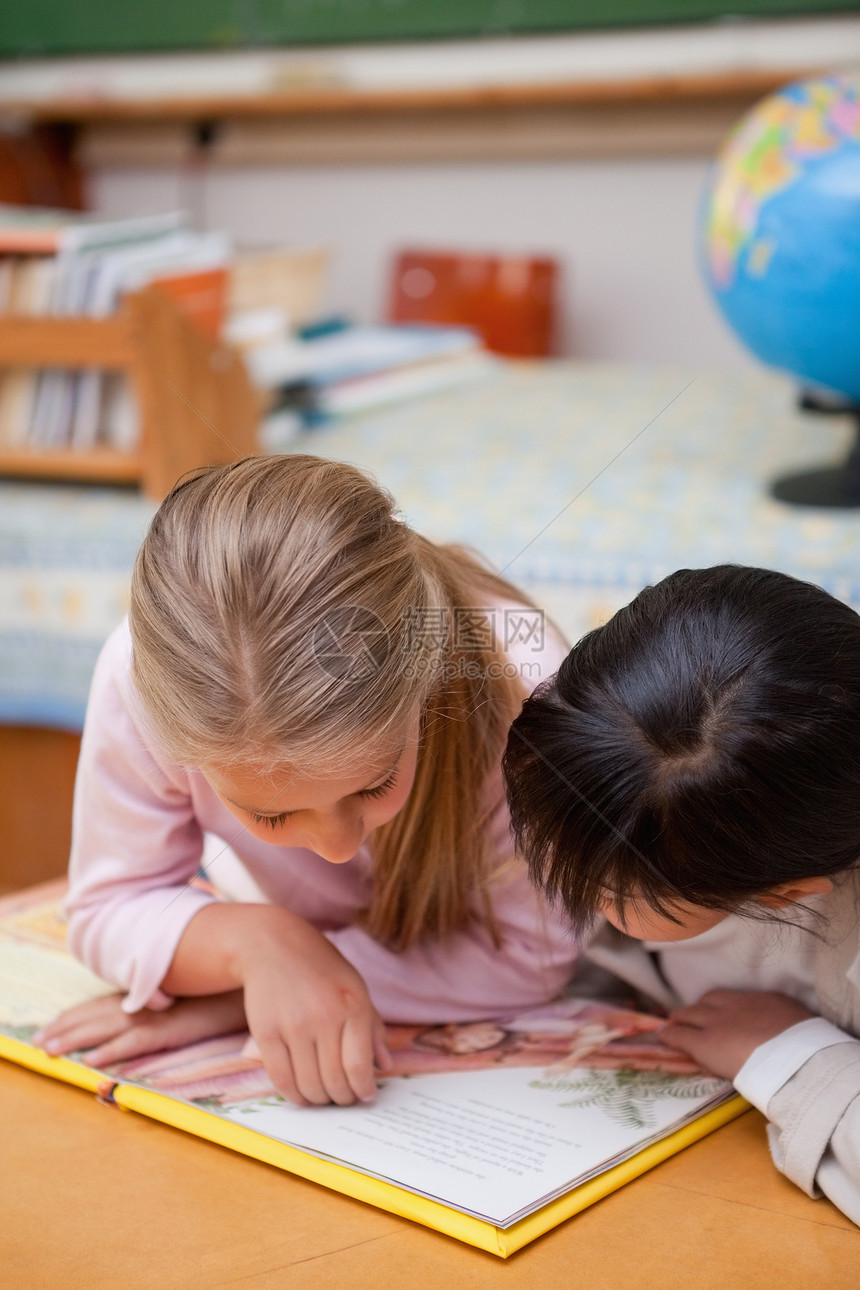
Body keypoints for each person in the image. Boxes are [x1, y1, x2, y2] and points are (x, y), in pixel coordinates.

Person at [37, 455, 575, 1107]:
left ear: (427, 682)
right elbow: (105, 906)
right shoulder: (144, 680)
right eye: (270, 815)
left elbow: (533, 953)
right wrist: (261, 944)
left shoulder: (524, 685)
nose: (337, 847)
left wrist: (255, 992)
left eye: (373, 785)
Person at [502, 564, 860, 1225]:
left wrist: (790, 1055)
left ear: (787, 894)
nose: (560, 870)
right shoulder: (603, 766)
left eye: (606, 889)